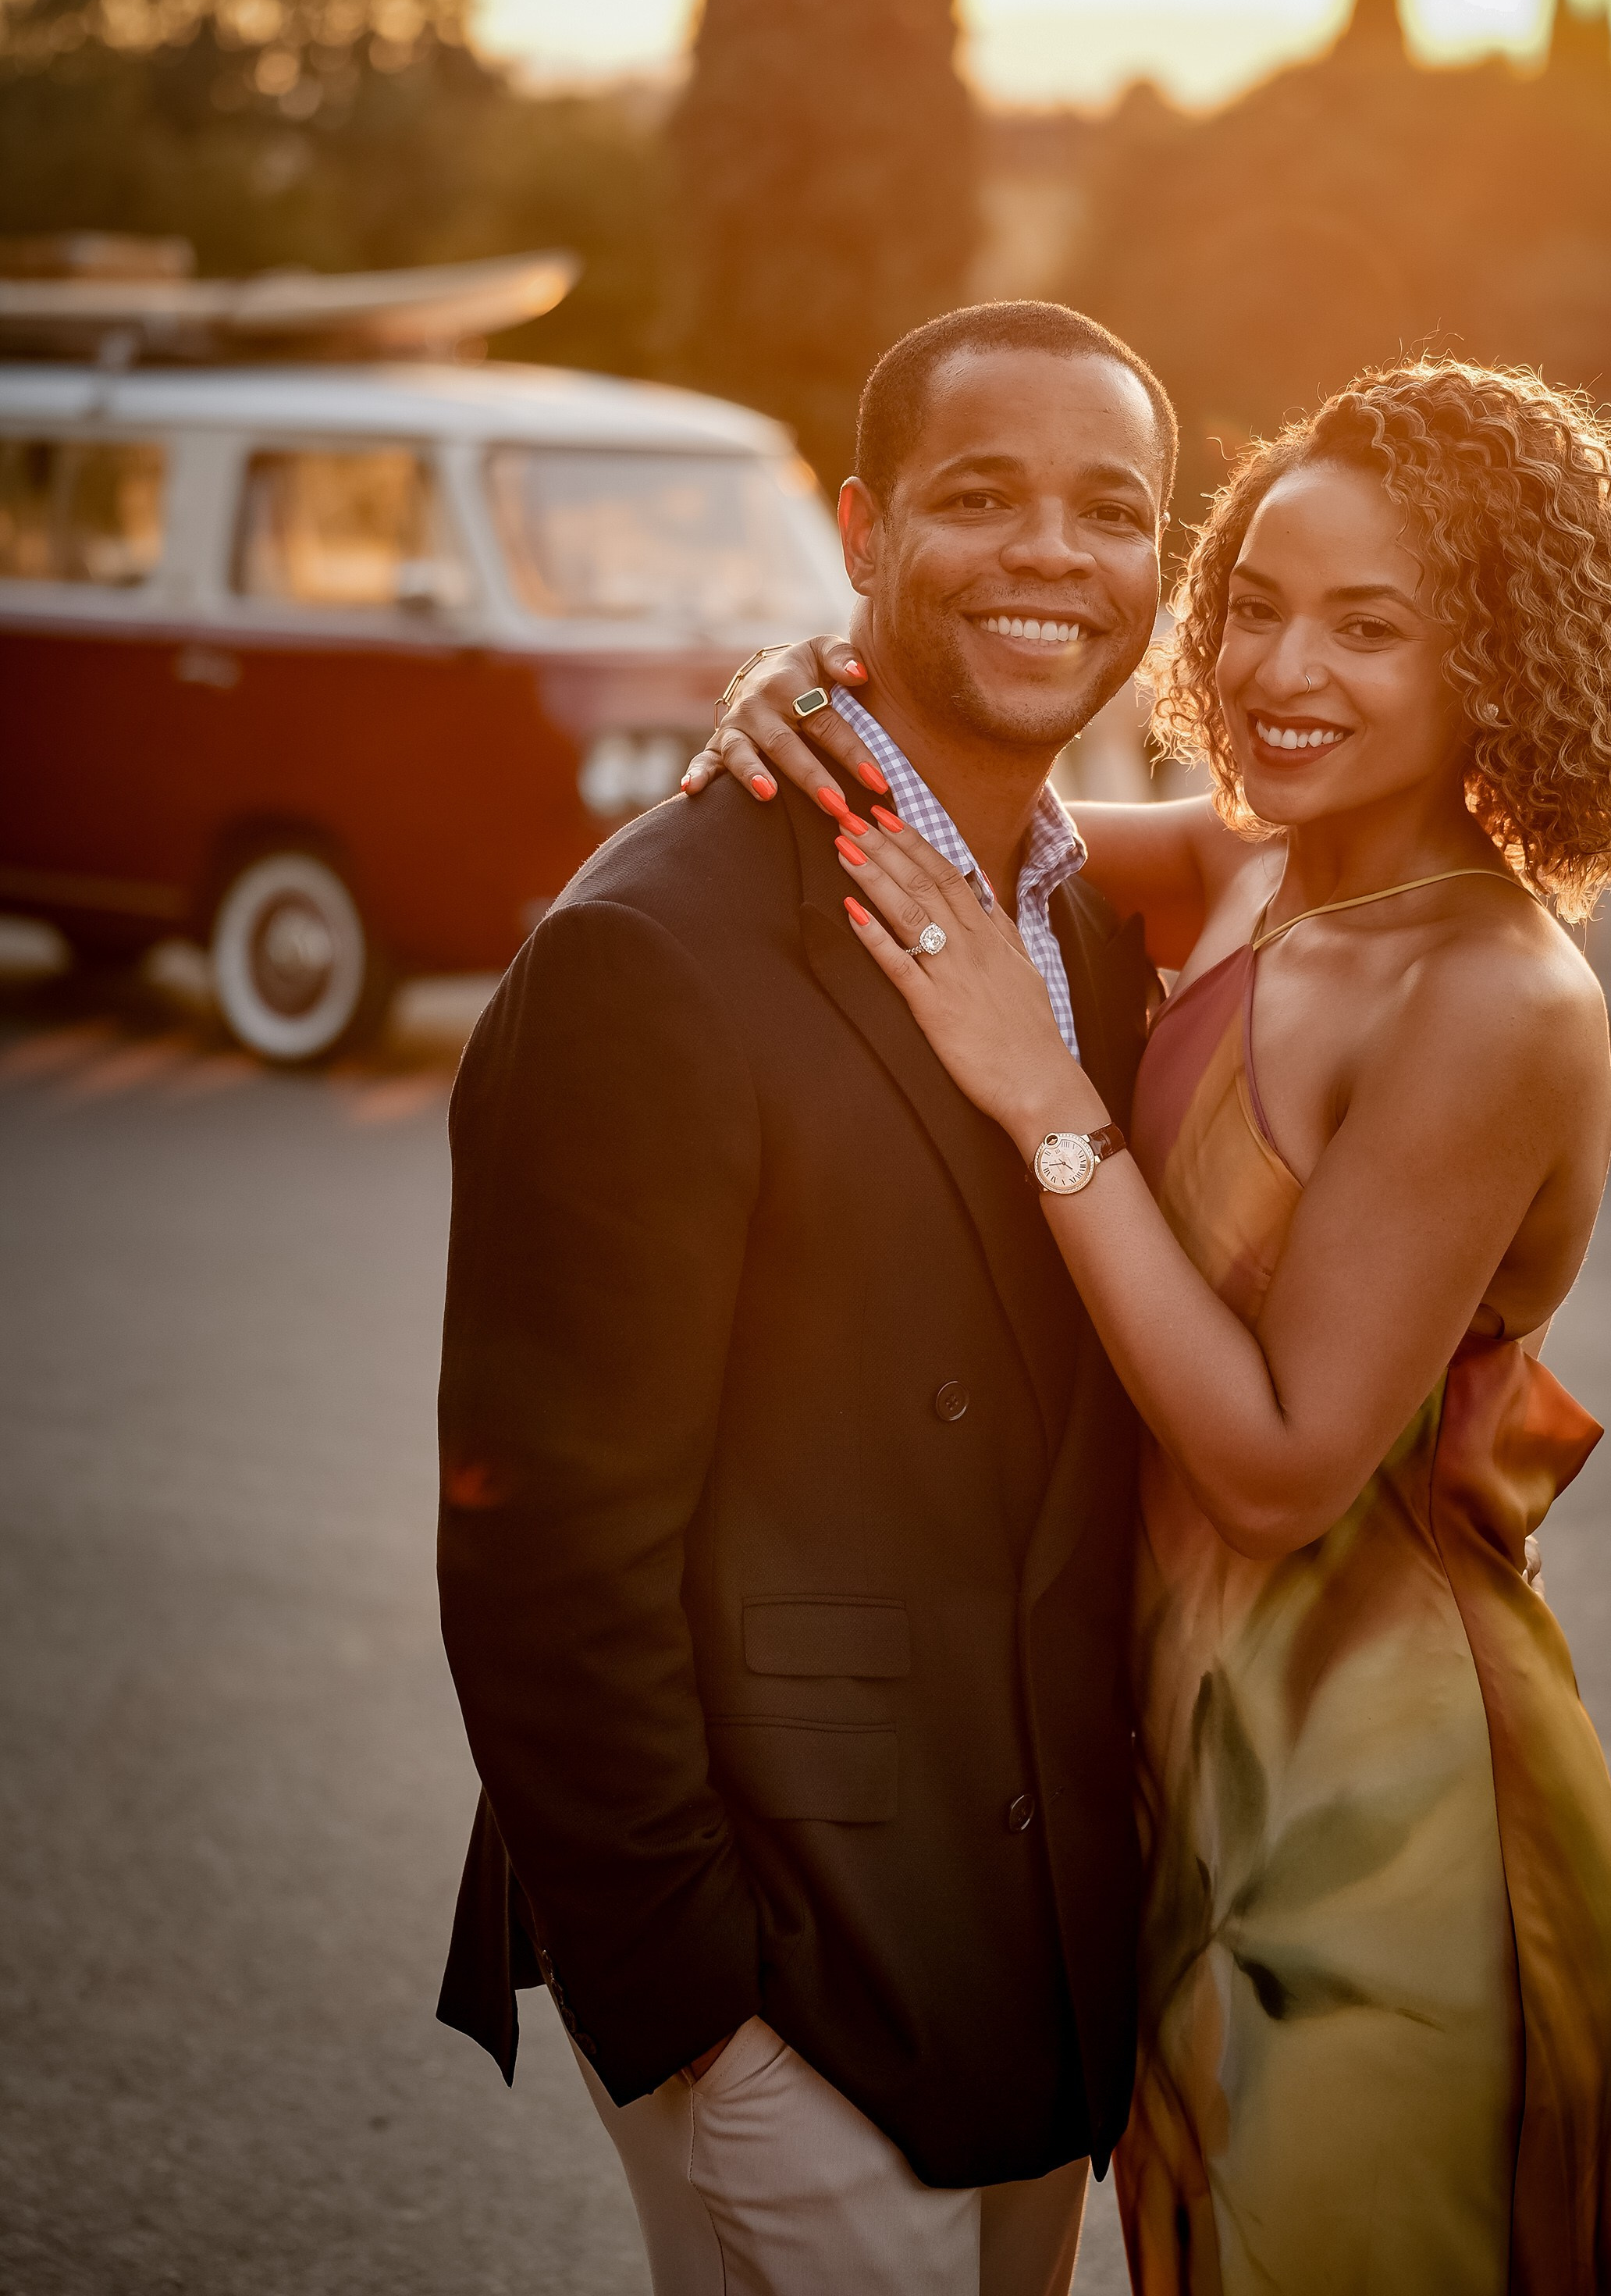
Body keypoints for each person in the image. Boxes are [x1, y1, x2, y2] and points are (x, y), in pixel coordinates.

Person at [691, 355, 1611, 2293]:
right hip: (1169, 1770)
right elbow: (942, 823)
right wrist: (804, 693)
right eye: (1253, 607)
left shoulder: (1493, 1002)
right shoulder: (1250, 870)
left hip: (1381, 1802)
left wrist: (1042, 1091)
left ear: (1495, 660)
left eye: (1367, 629)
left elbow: (1272, 1471)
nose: (1278, 674)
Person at [435, 300, 1185, 2296]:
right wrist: (696, 2012)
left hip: (1036, 1946)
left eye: (1111, 511)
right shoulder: (649, 951)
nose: (1051, 554)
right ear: (861, 530)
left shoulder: (1101, 929)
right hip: (788, 1975)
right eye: (980, 497)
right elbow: (541, 1543)